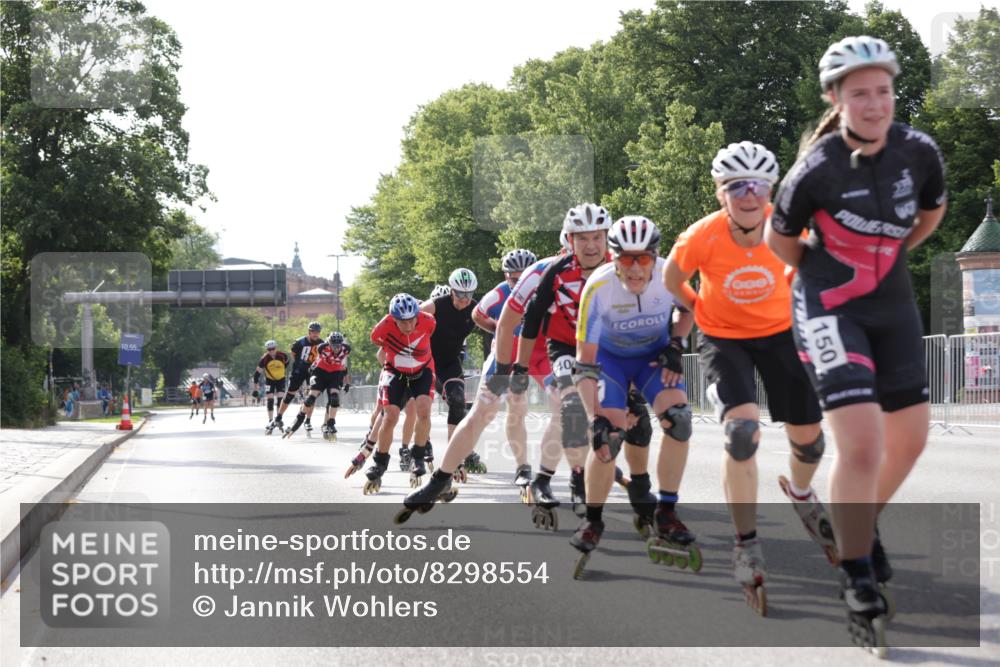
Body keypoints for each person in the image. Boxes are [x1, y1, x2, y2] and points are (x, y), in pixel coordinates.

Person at [764, 36, 947, 651]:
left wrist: (885, 261)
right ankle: (858, 574)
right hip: (828, 302)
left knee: (911, 439)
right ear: (836, 99)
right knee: (863, 443)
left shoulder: (919, 151)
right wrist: (831, 270)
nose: (875, 104)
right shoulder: (814, 169)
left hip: (891, 301)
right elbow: (780, 242)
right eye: (860, 93)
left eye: (884, 91)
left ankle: (857, 529)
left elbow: (930, 216)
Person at [665, 140, 831, 614]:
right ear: (720, 192)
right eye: (736, 186)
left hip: (780, 335)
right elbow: (673, 282)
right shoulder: (700, 236)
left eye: (758, 185)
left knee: (812, 443)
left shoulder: (788, 226)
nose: (748, 194)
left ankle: (800, 492)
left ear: (771, 189)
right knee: (741, 434)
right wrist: (698, 312)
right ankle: (745, 542)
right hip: (724, 338)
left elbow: (812, 269)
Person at [571, 215, 696, 578]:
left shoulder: (670, 274)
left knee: (680, 420)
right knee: (607, 438)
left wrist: (676, 343)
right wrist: (593, 415)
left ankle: (667, 510)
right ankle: (593, 520)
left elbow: (689, 309)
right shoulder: (598, 288)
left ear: (656, 255)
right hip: (610, 363)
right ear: (613, 259)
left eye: (645, 258)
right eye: (627, 259)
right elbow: (586, 363)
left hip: (653, 358)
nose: (637, 268)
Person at [468, 249, 539, 486]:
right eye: (513, 279)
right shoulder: (500, 292)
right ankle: (458, 458)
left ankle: (522, 468)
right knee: (483, 413)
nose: (518, 283)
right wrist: (497, 328)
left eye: (524, 278)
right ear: (506, 276)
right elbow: (477, 314)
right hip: (502, 358)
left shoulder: (543, 289)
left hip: (528, 358)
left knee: (517, 410)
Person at [363, 294, 436, 494]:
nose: (409, 325)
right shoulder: (381, 329)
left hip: (423, 371)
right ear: (393, 318)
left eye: (412, 319)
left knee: (423, 410)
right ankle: (380, 463)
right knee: (390, 416)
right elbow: (379, 346)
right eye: (402, 322)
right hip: (395, 372)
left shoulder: (428, 321)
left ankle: (418, 455)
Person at [421, 268, 479, 463]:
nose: (464, 299)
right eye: (460, 294)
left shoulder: (475, 309)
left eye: (469, 294)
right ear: (452, 290)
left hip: (450, 363)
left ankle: (455, 453)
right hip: (427, 362)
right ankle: (420, 444)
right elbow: (407, 317)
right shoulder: (436, 305)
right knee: (419, 406)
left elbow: (498, 323)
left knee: (458, 400)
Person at [282, 332, 351, 440]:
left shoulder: (346, 349)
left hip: (335, 374)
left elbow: (343, 366)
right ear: (329, 343)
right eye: (334, 345)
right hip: (320, 372)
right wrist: (311, 375)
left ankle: (331, 423)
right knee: (311, 398)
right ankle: (299, 419)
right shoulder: (322, 348)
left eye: (338, 345)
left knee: (334, 399)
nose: (336, 348)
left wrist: (347, 382)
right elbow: (316, 362)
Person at [272, 322, 325, 434]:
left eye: (318, 332)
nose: (316, 334)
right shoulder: (299, 342)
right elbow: (294, 355)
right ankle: (279, 416)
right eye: (313, 332)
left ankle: (308, 420)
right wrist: (301, 364)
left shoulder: (322, 343)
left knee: (312, 395)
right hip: (299, 370)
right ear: (309, 332)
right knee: (290, 394)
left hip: (313, 371)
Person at [254, 340, 290, 433]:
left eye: (273, 349)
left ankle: (278, 418)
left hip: (281, 380)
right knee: (270, 400)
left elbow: (286, 364)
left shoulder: (283, 355)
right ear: (267, 350)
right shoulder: (264, 359)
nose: (271, 351)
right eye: (269, 349)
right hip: (269, 381)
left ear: (276, 348)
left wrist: (280, 371)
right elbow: (257, 373)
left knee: (280, 400)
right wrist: (255, 388)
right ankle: (270, 420)